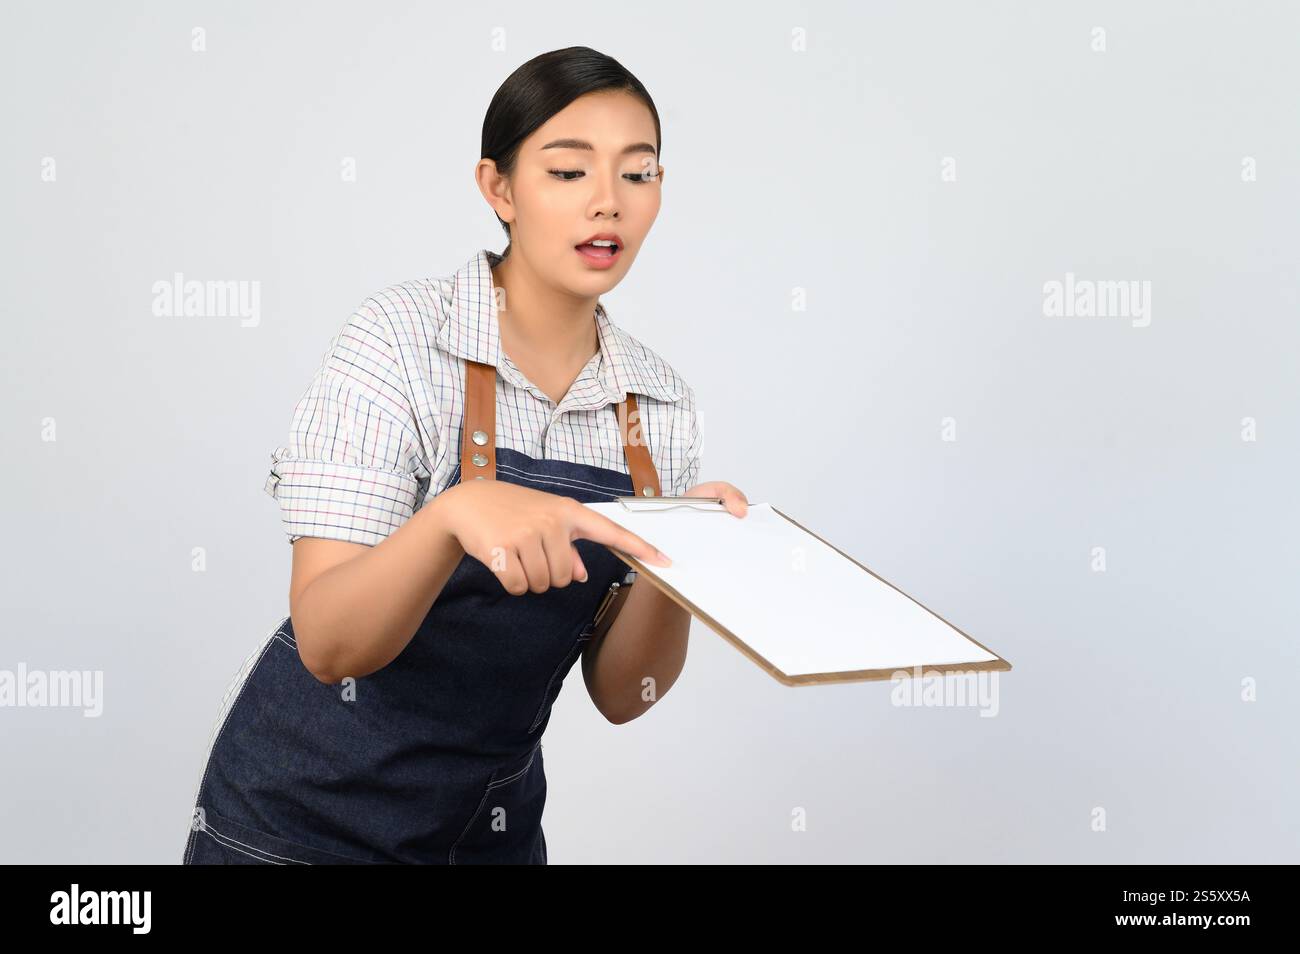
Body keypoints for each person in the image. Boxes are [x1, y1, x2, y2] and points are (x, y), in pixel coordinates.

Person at [182, 46, 748, 865]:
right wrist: (451, 516)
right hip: (299, 824)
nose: (608, 204)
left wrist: (680, 562)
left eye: (639, 173)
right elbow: (330, 643)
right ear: (499, 189)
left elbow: (626, 695)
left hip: (484, 833)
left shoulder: (658, 404)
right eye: (567, 172)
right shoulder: (400, 340)